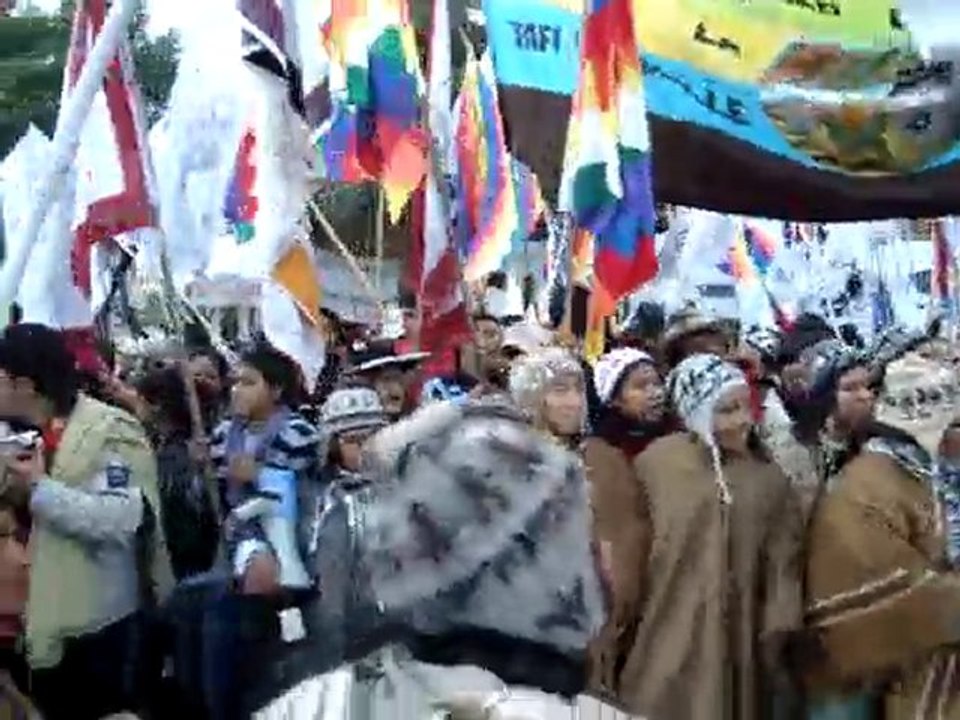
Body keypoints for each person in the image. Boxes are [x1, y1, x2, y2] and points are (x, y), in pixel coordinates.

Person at [0, 323, 171, 720]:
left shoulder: (108, 430)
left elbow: (120, 518)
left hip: (101, 632)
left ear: (24, 384)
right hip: (43, 629)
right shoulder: (21, 438)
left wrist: (41, 490)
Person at [621, 353, 802, 720]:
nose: (741, 421)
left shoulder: (768, 479)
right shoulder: (657, 465)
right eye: (725, 410)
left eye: (743, 407)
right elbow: (633, 552)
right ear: (696, 414)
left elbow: (785, 563)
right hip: (666, 631)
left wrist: (779, 625)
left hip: (741, 638)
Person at [803, 352, 960, 718]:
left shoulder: (941, 472)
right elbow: (878, 587)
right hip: (912, 676)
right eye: (954, 424)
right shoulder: (863, 488)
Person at [584, 348, 665, 700]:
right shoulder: (600, 456)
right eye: (640, 385)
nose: (654, 392)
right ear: (613, 398)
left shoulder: (681, 444)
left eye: (657, 382)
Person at [209, 344, 319, 595]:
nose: (237, 391)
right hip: (235, 538)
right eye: (235, 383)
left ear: (276, 390)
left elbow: (302, 488)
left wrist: (261, 475)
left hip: (287, 537)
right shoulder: (222, 434)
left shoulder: (299, 434)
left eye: (248, 383)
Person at [137, 365, 220, 581]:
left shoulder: (174, 456)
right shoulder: (175, 447)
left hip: (186, 560)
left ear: (155, 405)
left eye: (140, 399)